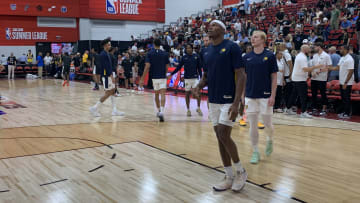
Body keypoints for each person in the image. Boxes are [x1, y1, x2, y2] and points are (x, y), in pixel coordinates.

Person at [193, 20, 247, 192]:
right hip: (213, 99)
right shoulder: (206, 51)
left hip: (229, 98)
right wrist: (198, 86)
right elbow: (207, 75)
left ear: (223, 30)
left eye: (215, 25)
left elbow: (241, 75)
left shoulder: (232, 47)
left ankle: (240, 171)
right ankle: (228, 175)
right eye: (210, 25)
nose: (210, 27)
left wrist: (237, 101)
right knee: (219, 136)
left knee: (224, 133)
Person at [243, 30, 278, 164]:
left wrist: (273, 95)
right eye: (252, 37)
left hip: (265, 95)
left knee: (267, 123)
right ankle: (255, 151)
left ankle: (270, 140)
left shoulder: (269, 56)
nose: (253, 39)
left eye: (256, 37)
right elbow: (244, 77)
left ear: (263, 40)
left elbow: (274, 77)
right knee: (252, 125)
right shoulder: (246, 57)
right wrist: (242, 95)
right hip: (250, 95)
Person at [285, 45, 325, 118]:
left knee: (294, 94)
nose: (310, 49)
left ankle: (288, 108)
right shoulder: (302, 57)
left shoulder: (300, 56)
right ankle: (303, 112)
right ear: (304, 49)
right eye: (308, 48)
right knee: (303, 96)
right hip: (300, 79)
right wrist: (316, 67)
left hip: (297, 78)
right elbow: (305, 69)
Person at [89, 38, 124, 117]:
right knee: (108, 93)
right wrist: (111, 76)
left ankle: (114, 110)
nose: (110, 46)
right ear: (105, 46)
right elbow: (106, 67)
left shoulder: (106, 53)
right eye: (109, 44)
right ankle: (94, 108)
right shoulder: (103, 54)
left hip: (109, 75)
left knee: (113, 91)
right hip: (107, 76)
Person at [140, 39, 170, 122]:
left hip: (154, 77)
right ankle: (162, 112)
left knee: (156, 95)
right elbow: (167, 66)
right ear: (160, 44)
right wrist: (165, 73)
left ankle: (159, 110)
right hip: (162, 77)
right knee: (163, 94)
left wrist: (142, 78)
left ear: (153, 44)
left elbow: (147, 66)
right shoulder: (165, 54)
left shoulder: (149, 53)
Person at [169, 44, 203, 116]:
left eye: (189, 48)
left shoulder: (196, 56)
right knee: (187, 94)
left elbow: (199, 68)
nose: (188, 49)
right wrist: (171, 74)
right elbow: (178, 67)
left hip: (195, 78)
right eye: (187, 48)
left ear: (192, 49)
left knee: (197, 93)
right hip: (187, 79)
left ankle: (198, 107)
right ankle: (188, 110)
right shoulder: (184, 58)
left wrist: (201, 77)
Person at [326, 45, 355, 119]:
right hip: (342, 81)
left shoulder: (350, 59)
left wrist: (346, 82)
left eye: (342, 49)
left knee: (346, 98)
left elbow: (351, 71)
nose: (340, 50)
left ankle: (347, 113)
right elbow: (337, 67)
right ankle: (344, 112)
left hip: (347, 82)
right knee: (343, 98)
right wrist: (328, 68)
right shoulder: (342, 58)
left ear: (346, 50)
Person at [310, 39, 332, 116]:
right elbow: (312, 66)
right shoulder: (315, 55)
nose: (314, 48)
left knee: (323, 94)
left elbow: (329, 67)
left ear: (319, 47)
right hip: (314, 78)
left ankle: (324, 109)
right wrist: (312, 72)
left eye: (315, 47)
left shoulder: (326, 56)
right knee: (314, 94)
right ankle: (314, 108)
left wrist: (319, 71)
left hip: (322, 78)